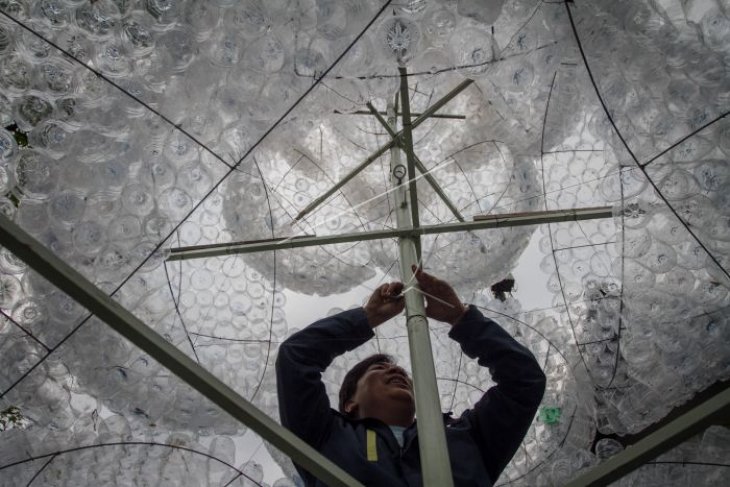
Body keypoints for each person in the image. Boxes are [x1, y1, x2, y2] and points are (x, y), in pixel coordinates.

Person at [276, 267, 546, 486]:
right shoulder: (325, 437)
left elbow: (524, 381)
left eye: (402, 372)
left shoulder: (468, 437)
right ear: (349, 403)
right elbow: (296, 358)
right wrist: (367, 317)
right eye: (378, 369)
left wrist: (461, 318)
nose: (396, 371)